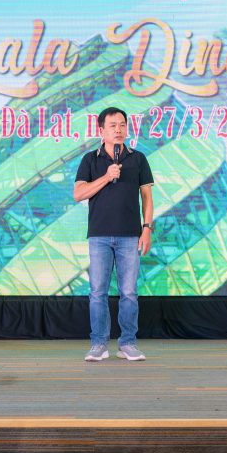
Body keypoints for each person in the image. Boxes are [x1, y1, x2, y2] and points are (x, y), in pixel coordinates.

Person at [73, 107, 154, 362]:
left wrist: (147, 228)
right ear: (101, 130)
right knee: (98, 292)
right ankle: (98, 344)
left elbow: (147, 197)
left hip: (130, 236)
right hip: (99, 236)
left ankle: (127, 343)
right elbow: (79, 194)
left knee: (129, 292)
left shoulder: (138, 158)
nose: (118, 130)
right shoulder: (90, 159)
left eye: (122, 125)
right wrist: (107, 177)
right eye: (112, 125)